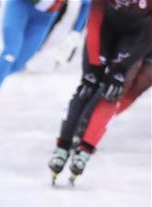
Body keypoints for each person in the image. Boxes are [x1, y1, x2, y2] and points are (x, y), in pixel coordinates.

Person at [48, 0, 151, 183]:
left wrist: (122, 69)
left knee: (114, 92)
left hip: (136, 37)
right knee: (87, 85)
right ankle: (63, 145)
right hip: (105, 29)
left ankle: (86, 147)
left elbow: (148, 37)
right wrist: (94, 67)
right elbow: (94, 19)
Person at [60, 50, 152, 181]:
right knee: (119, 86)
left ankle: (91, 122)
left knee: (132, 89)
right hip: (138, 37)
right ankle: (87, 123)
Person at [0, 0, 64, 122]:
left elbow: (86, 5)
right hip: (20, 5)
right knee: (10, 53)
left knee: (16, 65)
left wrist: (76, 32)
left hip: (44, 18)